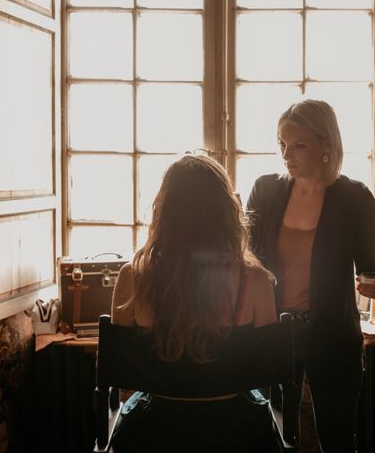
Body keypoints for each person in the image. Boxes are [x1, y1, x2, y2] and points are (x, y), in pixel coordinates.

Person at [247, 99, 375, 452]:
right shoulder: (266, 191)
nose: (286, 155)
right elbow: (244, 261)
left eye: (298, 145)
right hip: (274, 332)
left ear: (326, 145)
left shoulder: (354, 198)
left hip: (332, 336)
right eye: (282, 144)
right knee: (272, 439)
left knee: (338, 439)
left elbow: (373, 266)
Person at [110, 154, 279, 452]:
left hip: (153, 432)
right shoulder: (255, 281)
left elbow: (118, 365)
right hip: (237, 433)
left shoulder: (132, 278)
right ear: (227, 210)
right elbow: (267, 366)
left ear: (164, 210)